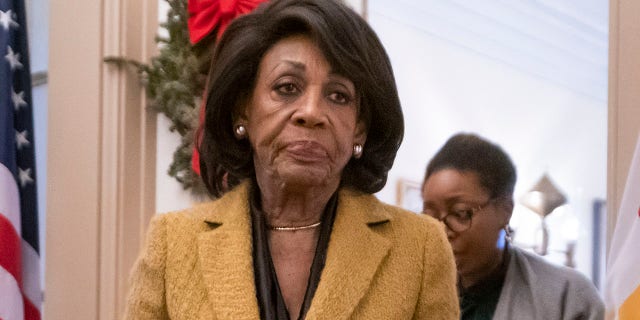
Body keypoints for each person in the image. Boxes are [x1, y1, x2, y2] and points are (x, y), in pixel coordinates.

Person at [124, 0, 459, 319]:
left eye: (338, 96)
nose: (312, 112)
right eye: (287, 88)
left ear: (360, 129)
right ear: (244, 109)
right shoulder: (172, 243)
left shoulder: (421, 248)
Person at [420, 132, 604, 320]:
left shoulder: (568, 296)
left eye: (460, 213)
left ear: (505, 210)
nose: (441, 231)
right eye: (429, 216)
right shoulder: (414, 293)